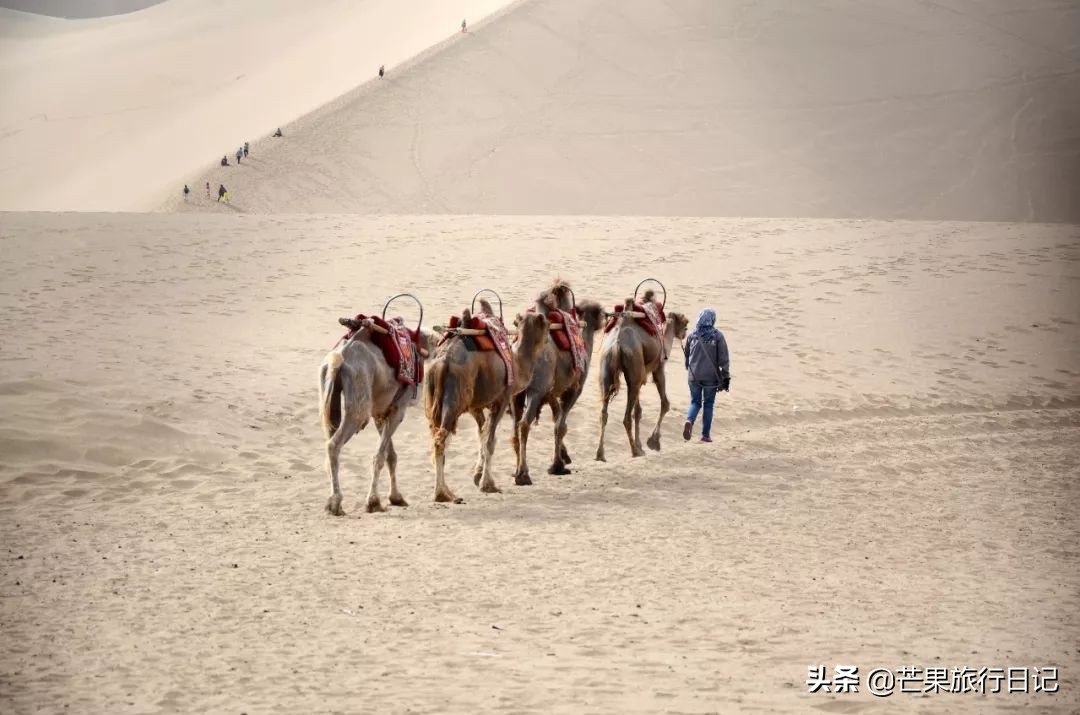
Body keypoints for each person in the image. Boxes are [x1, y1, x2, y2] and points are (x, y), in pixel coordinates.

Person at [682, 308, 730, 443]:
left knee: (695, 402)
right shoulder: (717, 336)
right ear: (712, 320)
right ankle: (705, 435)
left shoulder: (692, 335)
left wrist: (689, 370)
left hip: (693, 376)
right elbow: (724, 360)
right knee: (708, 404)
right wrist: (725, 377)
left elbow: (687, 357)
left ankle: (689, 420)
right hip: (710, 377)